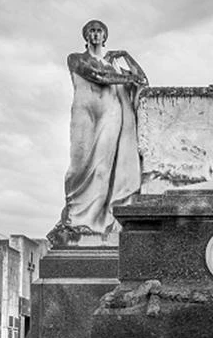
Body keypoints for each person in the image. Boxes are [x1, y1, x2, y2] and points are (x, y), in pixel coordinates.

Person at [51, 19, 147, 242]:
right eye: (91, 31)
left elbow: (142, 80)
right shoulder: (76, 59)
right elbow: (97, 76)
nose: (95, 35)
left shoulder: (115, 65)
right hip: (85, 116)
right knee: (78, 167)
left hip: (111, 116)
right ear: (86, 36)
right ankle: (74, 218)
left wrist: (126, 55)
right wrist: (128, 77)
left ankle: (94, 223)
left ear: (105, 36)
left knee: (103, 168)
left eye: (99, 31)